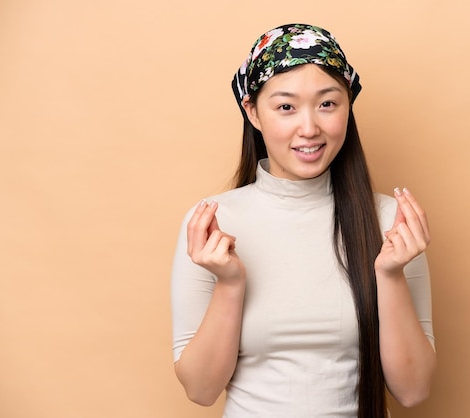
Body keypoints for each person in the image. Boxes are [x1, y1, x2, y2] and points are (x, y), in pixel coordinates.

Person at [171, 23, 436, 418]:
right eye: (286, 107)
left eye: (328, 104)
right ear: (252, 112)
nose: (309, 128)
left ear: (348, 106)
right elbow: (201, 389)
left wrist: (391, 275)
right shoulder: (212, 224)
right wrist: (229, 283)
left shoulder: (389, 223)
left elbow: (413, 390)